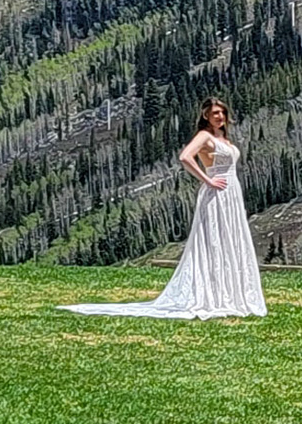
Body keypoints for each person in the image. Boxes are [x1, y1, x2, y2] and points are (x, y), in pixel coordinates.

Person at [63, 97, 267, 318]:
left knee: (229, 239)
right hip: (217, 192)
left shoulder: (223, 138)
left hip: (231, 193)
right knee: (214, 240)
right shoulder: (205, 136)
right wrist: (207, 180)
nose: (219, 117)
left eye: (222, 112)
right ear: (205, 116)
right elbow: (185, 157)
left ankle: (229, 292)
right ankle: (214, 294)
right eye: (214, 113)